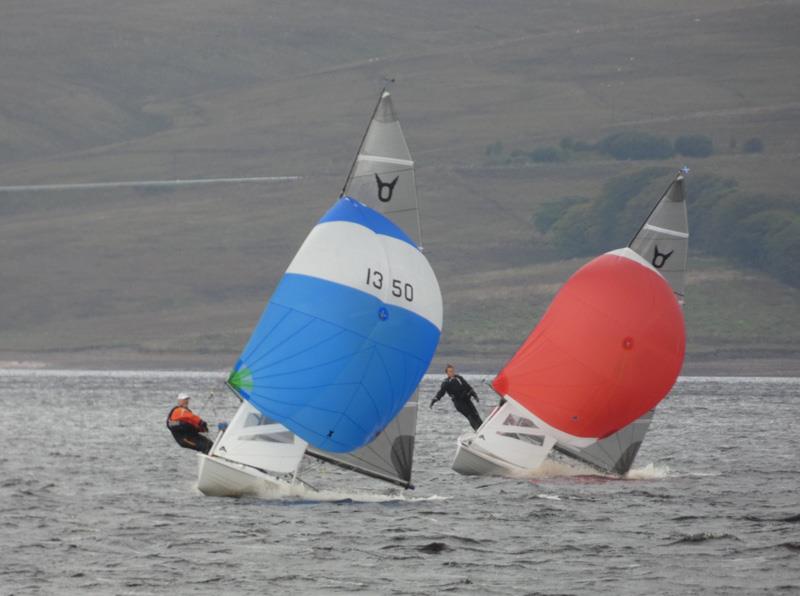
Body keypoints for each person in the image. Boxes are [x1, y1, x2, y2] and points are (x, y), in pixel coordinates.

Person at [430, 364, 483, 430]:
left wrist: (475, 395)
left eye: (452, 371)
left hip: (466, 400)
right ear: (447, 373)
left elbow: (468, 387)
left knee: (475, 414)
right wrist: (434, 400)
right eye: (450, 371)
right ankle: (477, 429)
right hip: (458, 402)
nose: (452, 373)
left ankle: (483, 428)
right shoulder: (446, 383)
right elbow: (441, 393)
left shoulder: (459, 378)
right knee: (469, 415)